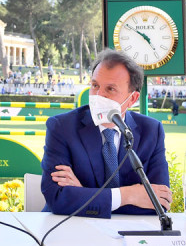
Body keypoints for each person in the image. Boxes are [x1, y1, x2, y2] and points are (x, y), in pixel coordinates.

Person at [41, 49, 171, 218]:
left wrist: (84, 194)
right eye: (95, 86)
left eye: (110, 89)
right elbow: (57, 199)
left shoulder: (152, 132)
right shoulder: (61, 127)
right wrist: (128, 195)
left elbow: (160, 202)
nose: (98, 95)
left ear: (132, 99)